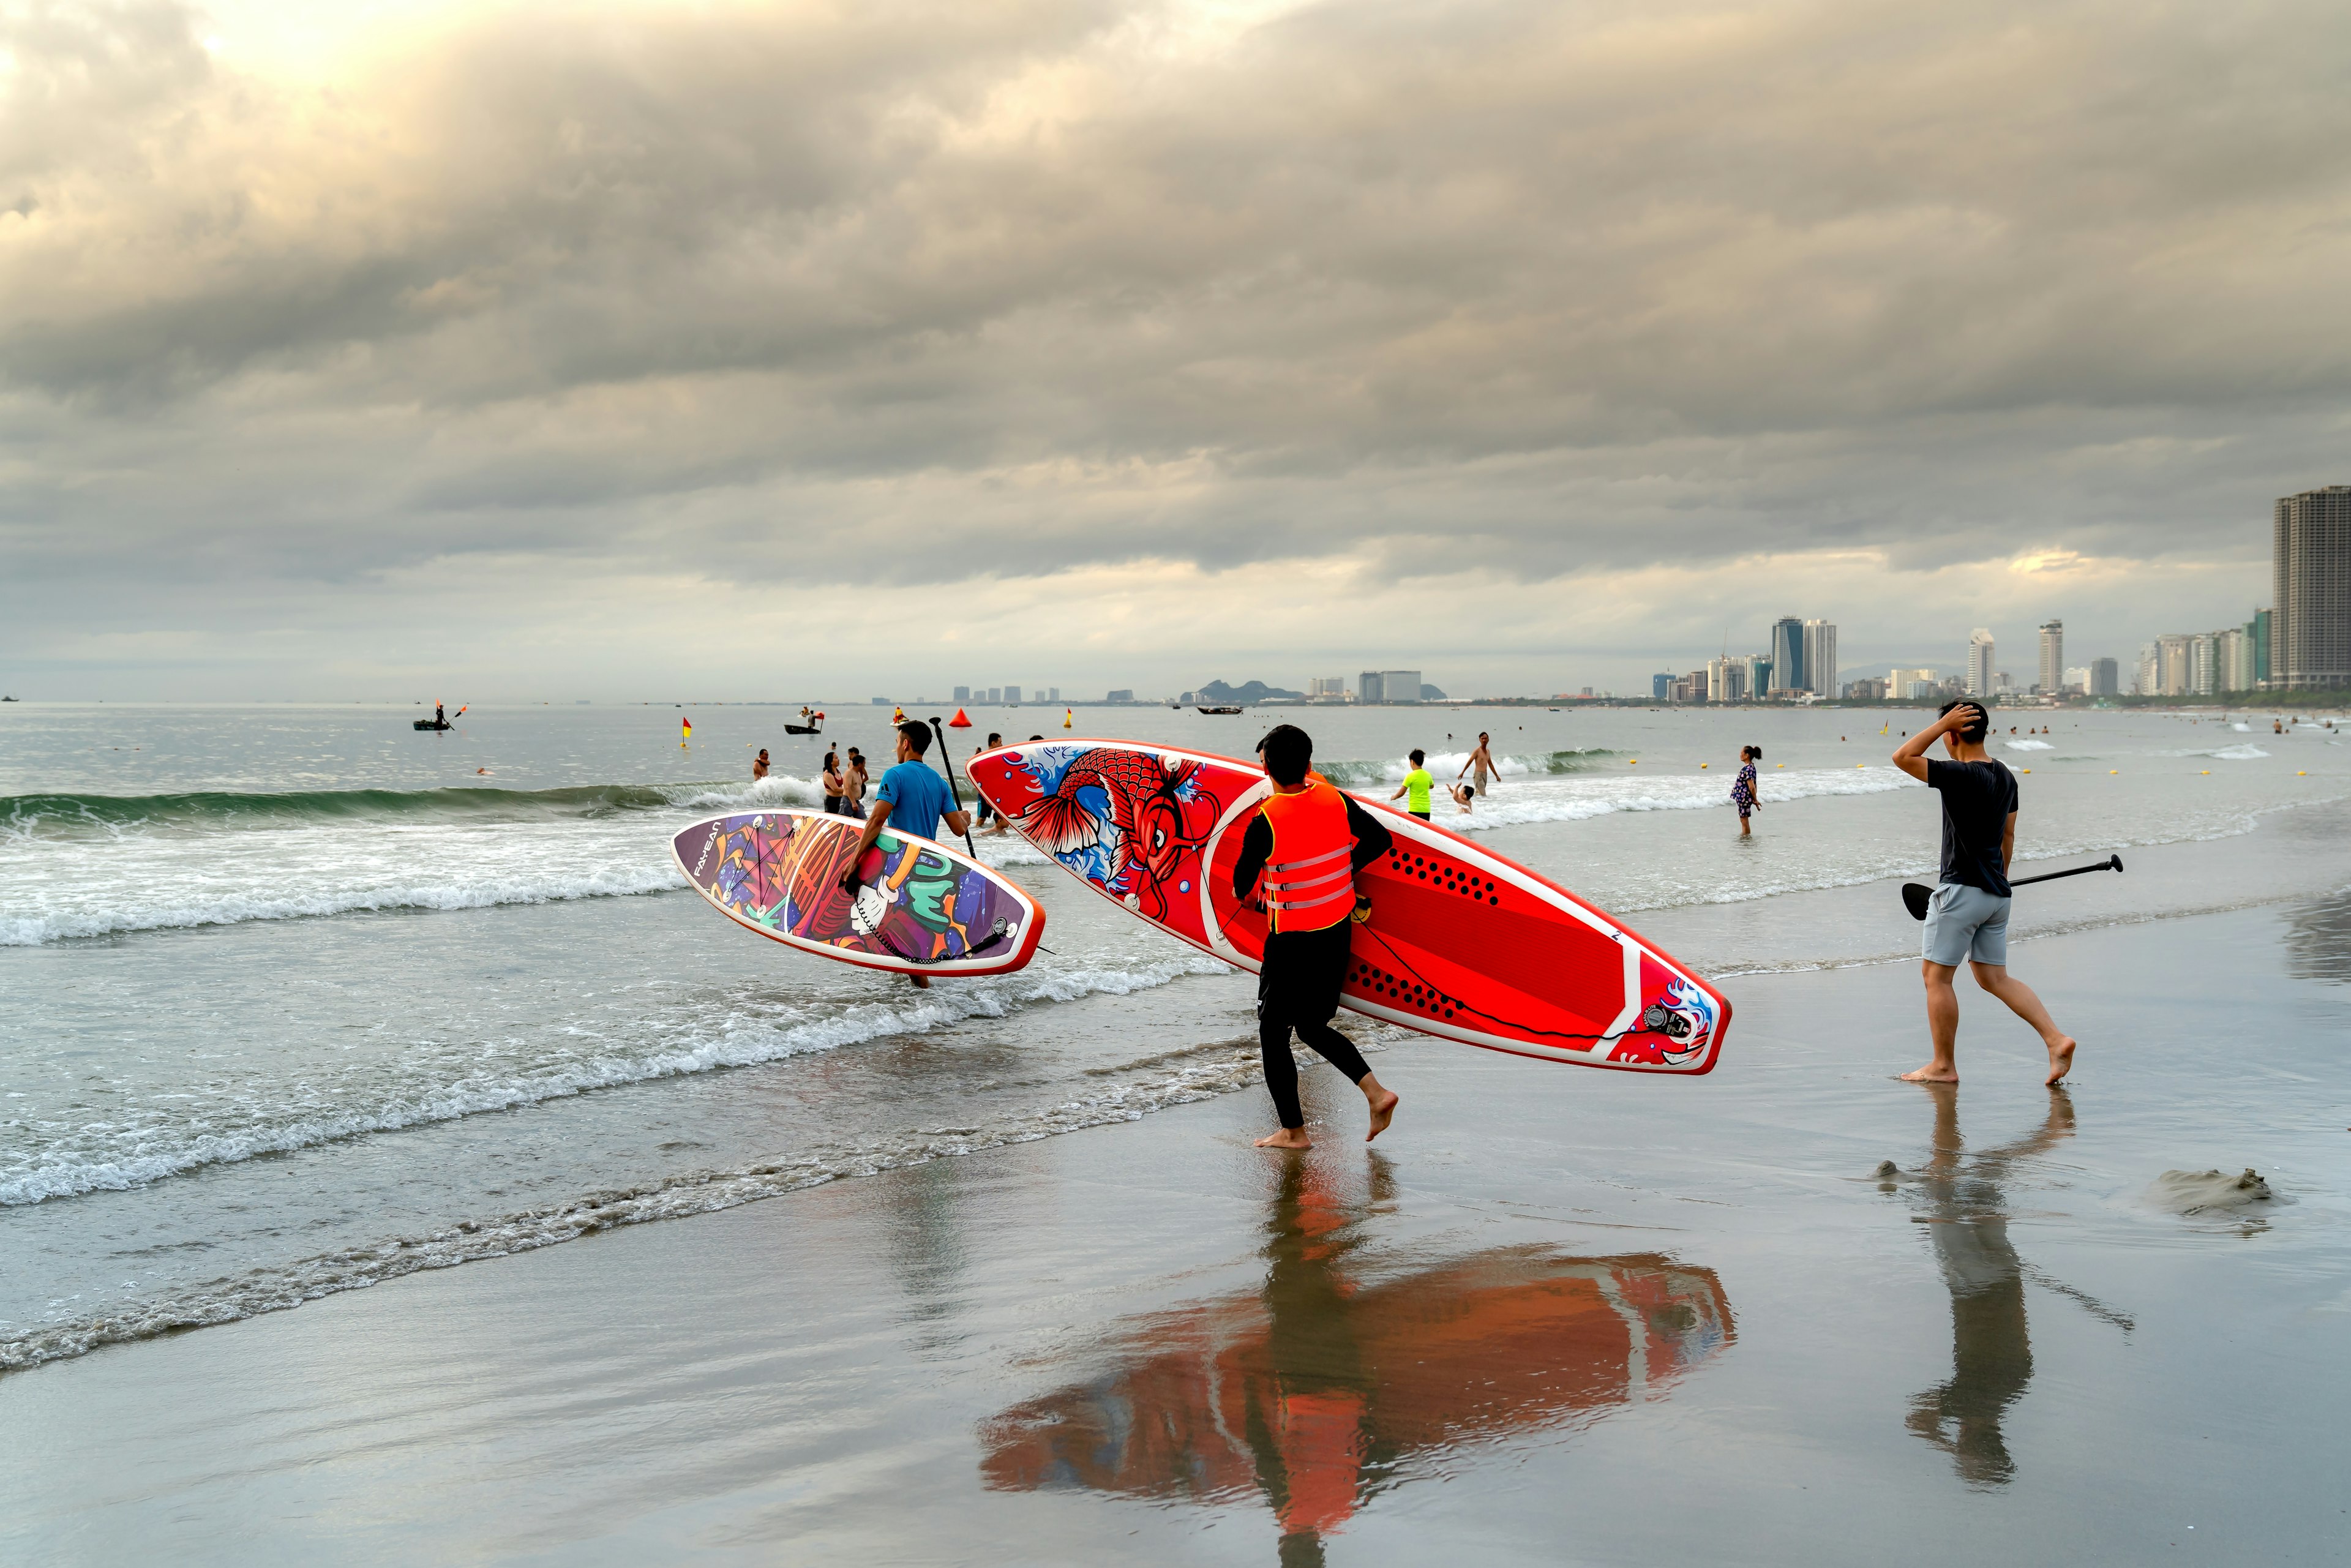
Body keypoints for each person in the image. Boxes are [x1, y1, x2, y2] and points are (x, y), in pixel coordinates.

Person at [1231, 725, 1401, 1149]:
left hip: (1291, 941)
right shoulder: (1336, 799)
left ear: (1265, 767)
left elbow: (1240, 888)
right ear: (1309, 765)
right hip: (1336, 932)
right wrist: (1342, 870)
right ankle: (1377, 1095)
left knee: (1273, 1031)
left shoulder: (1264, 820)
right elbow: (1381, 838)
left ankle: (1294, 1131)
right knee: (1309, 1024)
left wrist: (1262, 895)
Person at [1892, 702, 2077, 1086]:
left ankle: (1943, 1066)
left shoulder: (1960, 774)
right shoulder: (2006, 776)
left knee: (1936, 978)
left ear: (1953, 733)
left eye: (1946, 730)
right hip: (1997, 895)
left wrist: (1941, 722)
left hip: (1961, 891)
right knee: (1995, 978)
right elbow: (2008, 837)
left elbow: (1903, 757)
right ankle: (2055, 1039)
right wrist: (1998, 880)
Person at [839, 721, 972, 989]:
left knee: (905, 949)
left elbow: (876, 820)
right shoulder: (939, 782)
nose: (896, 747)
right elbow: (958, 829)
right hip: (928, 870)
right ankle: (919, 998)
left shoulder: (895, 775)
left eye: (897, 742)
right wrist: (966, 817)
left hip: (901, 866)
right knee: (904, 943)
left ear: (906, 744)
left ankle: (929, 1004)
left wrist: (854, 861)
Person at [974, 732, 1008, 835]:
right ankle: (976, 836)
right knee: (981, 819)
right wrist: (987, 796)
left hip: (997, 793)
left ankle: (999, 836)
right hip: (985, 793)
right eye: (1000, 742)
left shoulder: (998, 757)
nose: (1002, 745)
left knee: (1003, 818)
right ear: (993, 743)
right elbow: (978, 776)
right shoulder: (983, 758)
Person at [1388, 749, 1435, 820]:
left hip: (1415, 809)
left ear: (1412, 762)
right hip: (1426, 810)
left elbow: (1401, 793)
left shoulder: (1410, 776)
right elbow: (1432, 786)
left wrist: (1394, 797)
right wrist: (1423, 784)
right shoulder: (1428, 775)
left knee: (1414, 830)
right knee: (1423, 830)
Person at [1731, 745, 1761, 835]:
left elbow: (1752, 787)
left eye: (1741, 753)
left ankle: (1746, 841)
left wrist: (1755, 800)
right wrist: (1754, 799)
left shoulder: (1748, 769)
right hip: (1745, 798)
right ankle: (1745, 838)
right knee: (1743, 819)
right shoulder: (1751, 767)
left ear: (1747, 755)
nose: (1740, 755)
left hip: (1744, 798)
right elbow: (1754, 785)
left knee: (1744, 820)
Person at [1458, 733, 1497, 798]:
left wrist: (1496, 776)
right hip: (1478, 775)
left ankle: (1473, 804)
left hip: (1485, 775)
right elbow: (1469, 762)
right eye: (1482, 739)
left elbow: (1490, 764)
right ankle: (1483, 806)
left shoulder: (1488, 751)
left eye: (1485, 738)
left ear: (1488, 740)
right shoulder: (1477, 751)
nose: (1484, 740)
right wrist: (1462, 773)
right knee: (1483, 795)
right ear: (1480, 740)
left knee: (1479, 793)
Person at [843, 748, 870, 818]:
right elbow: (848, 788)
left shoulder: (859, 770)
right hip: (849, 800)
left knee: (863, 819)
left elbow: (867, 777)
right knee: (844, 820)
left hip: (857, 797)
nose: (850, 756)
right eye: (849, 754)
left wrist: (859, 784)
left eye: (851, 754)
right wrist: (853, 802)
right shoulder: (849, 771)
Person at [821, 749, 847, 814]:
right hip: (831, 801)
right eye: (836, 758)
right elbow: (836, 789)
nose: (839, 760)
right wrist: (849, 791)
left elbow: (844, 782)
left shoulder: (837, 771)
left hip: (840, 799)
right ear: (831, 762)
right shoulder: (828, 774)